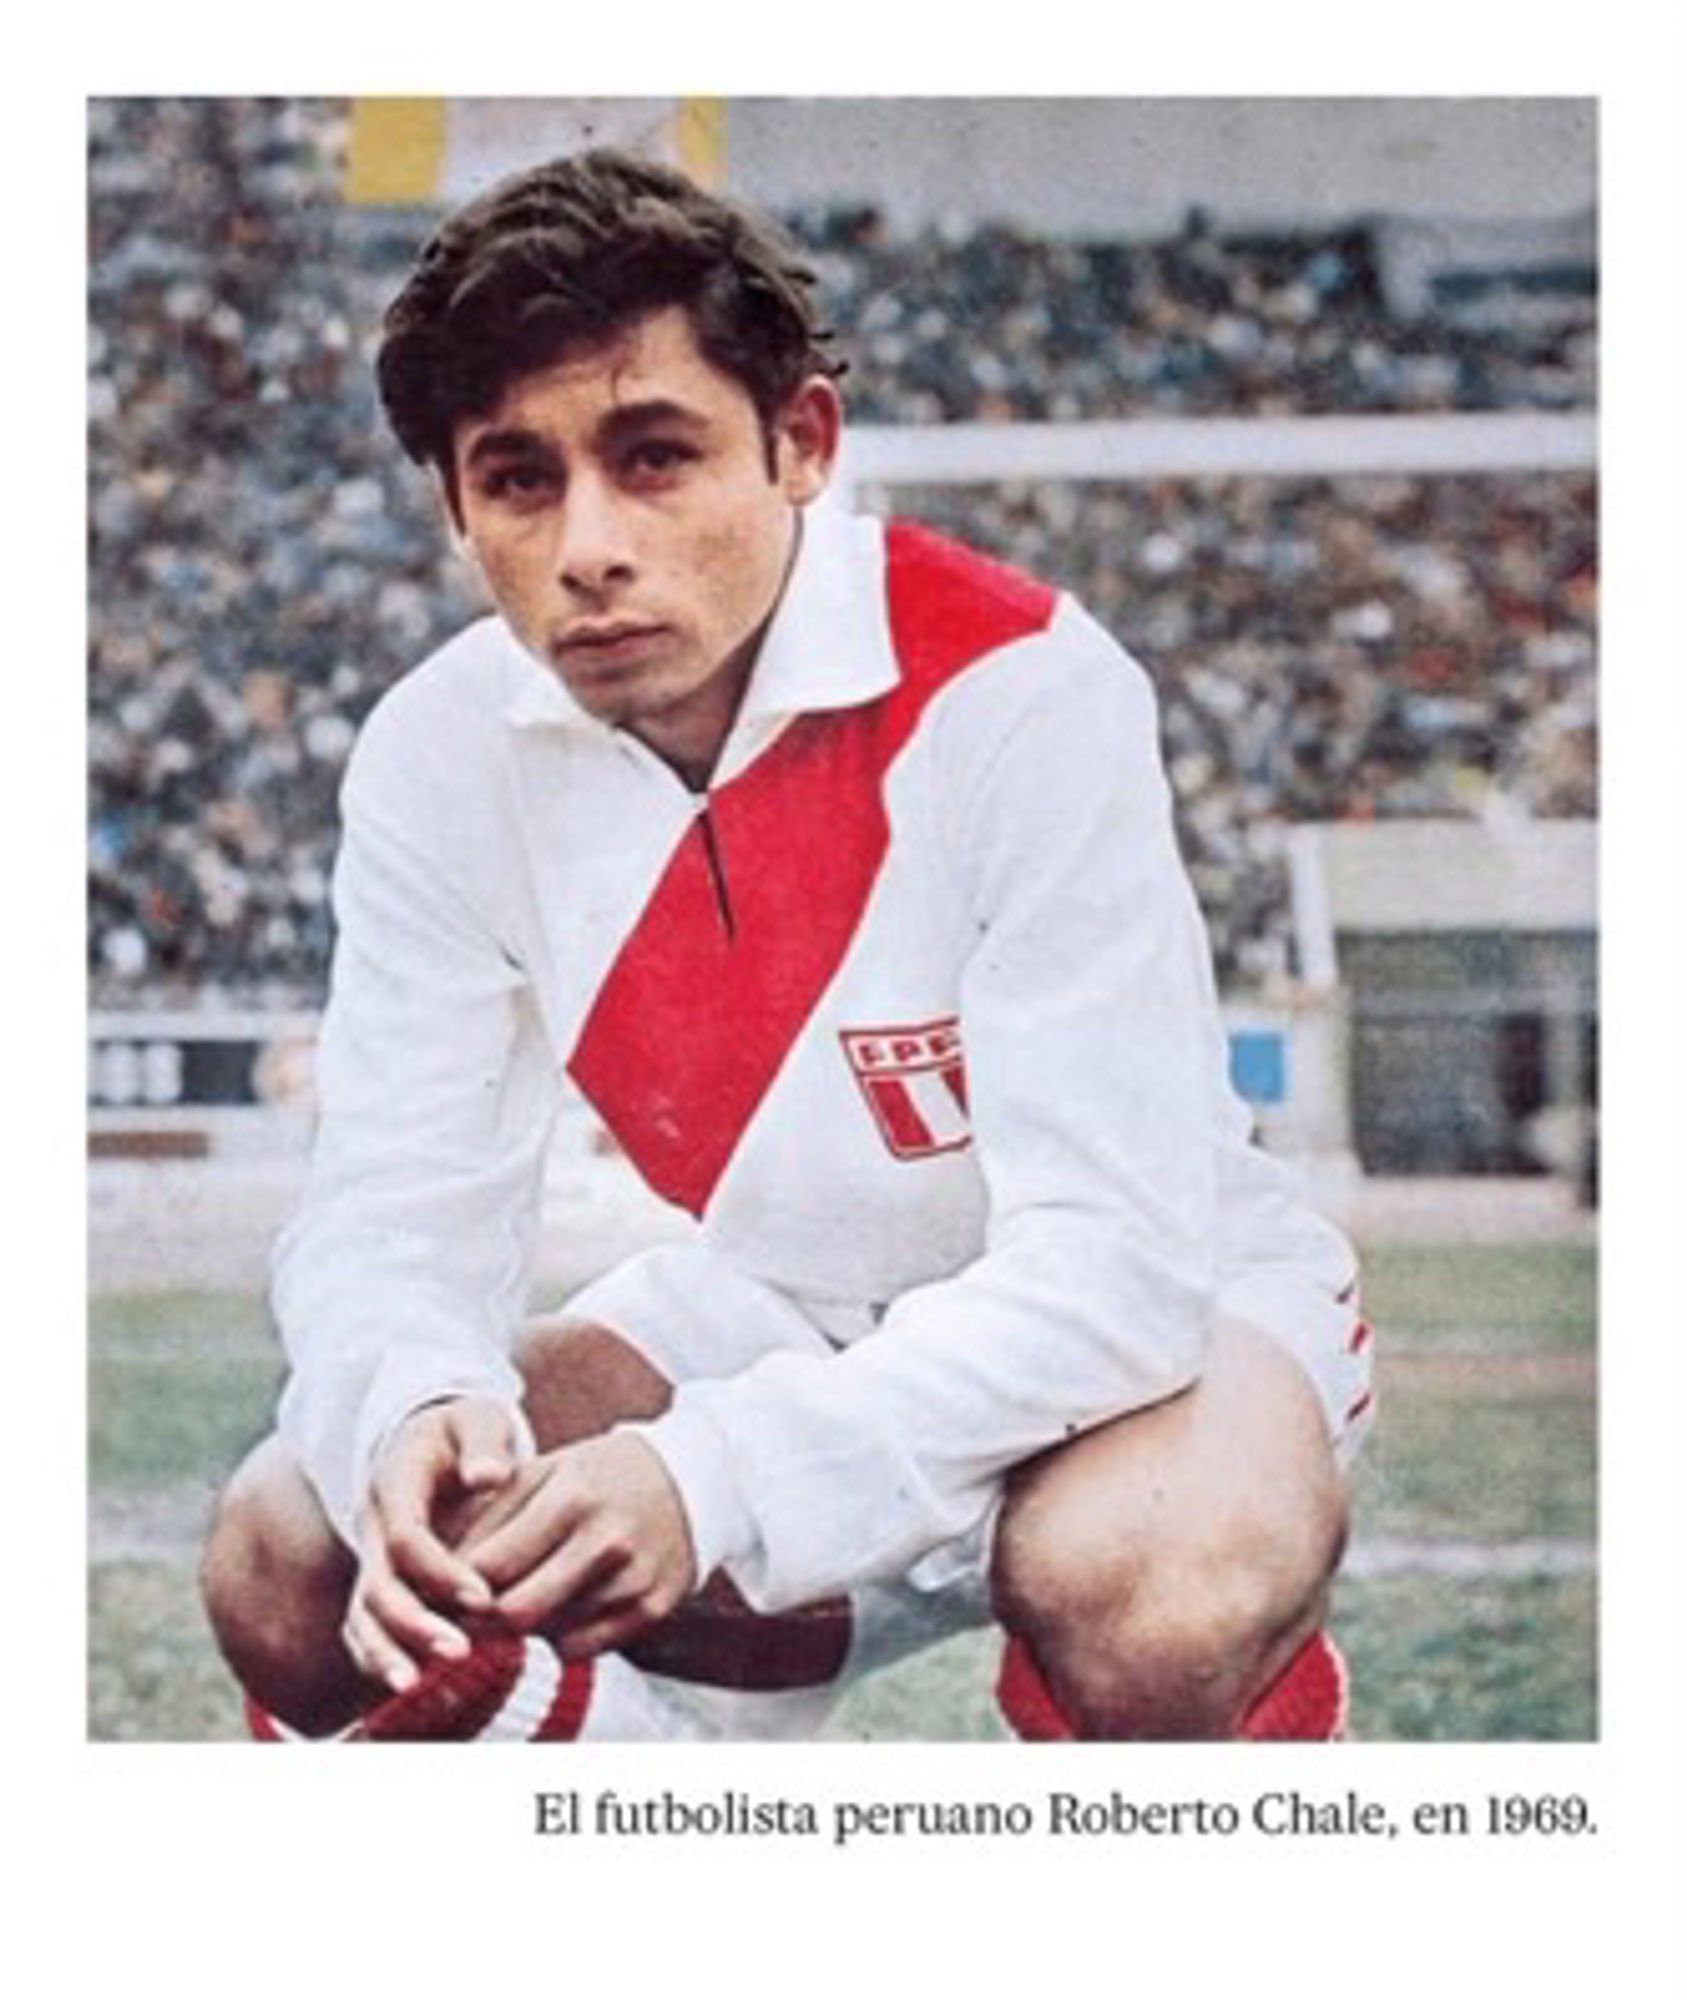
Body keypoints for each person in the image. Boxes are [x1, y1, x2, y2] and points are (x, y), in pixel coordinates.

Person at [200, 148, 1373, 1743]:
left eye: (655, 456)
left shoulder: (1020, 685)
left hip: (1168, 1320)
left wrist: (712, 1473)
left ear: (801, 441)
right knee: (296, 1554)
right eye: (519, 478)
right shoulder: (435, 753)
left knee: (1137, 1585)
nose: (588, 544)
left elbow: (1114, 1261)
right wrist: (413, 1401)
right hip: (782, 1308)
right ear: (456, 507)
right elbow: (391, 1209)